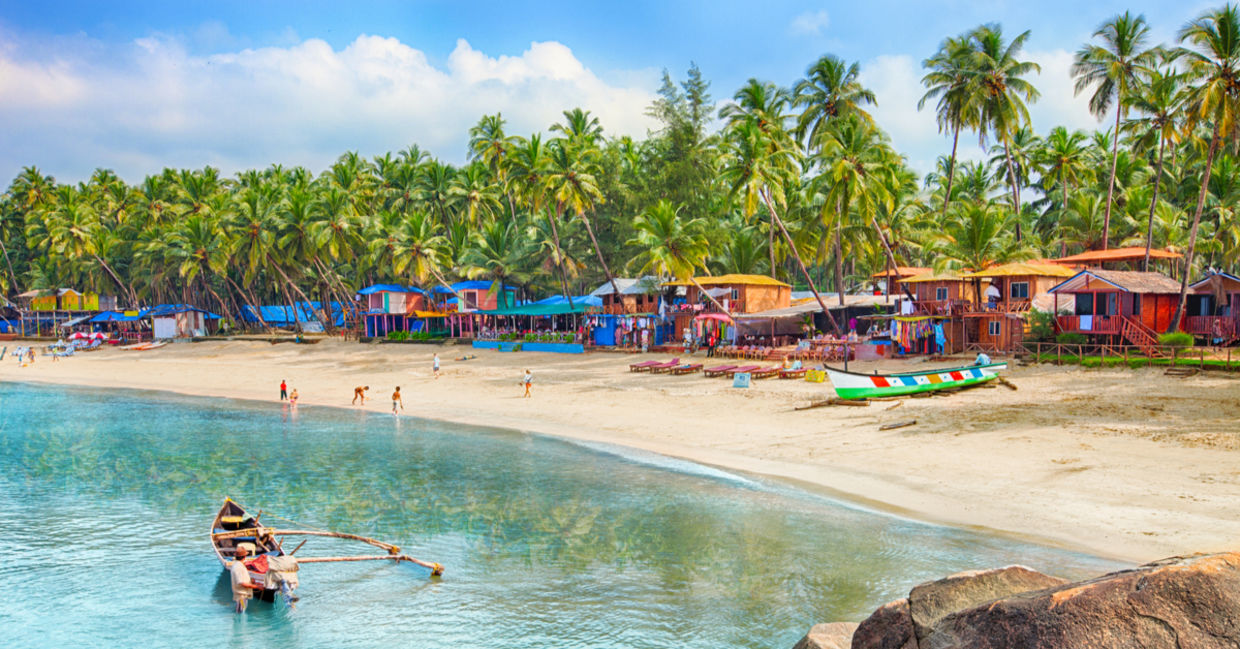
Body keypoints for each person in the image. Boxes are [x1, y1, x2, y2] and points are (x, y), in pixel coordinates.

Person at [229, 545, 263, 613]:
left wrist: (252, 582)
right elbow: (242, 583)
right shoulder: (238, 567)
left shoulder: (238, 565)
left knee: (241, 612)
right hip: (241, 596)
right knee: (240, 613)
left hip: (242, 595)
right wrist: (257, 586)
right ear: (245, 557)